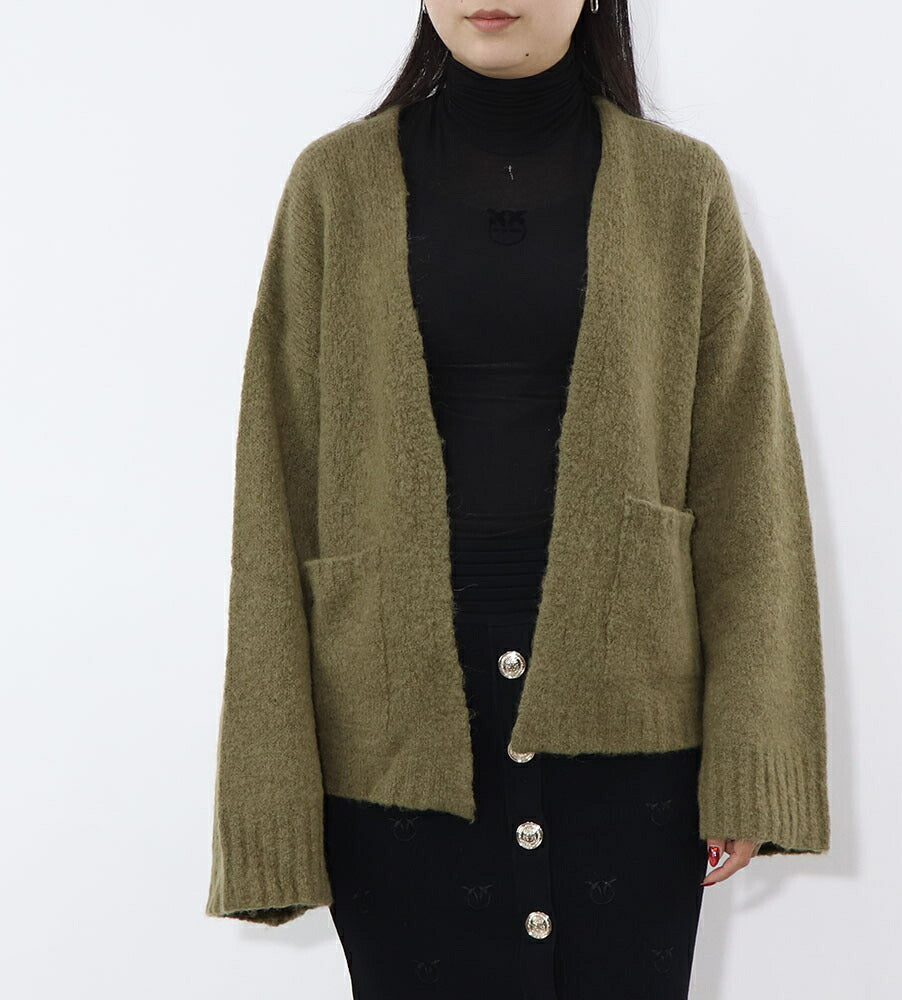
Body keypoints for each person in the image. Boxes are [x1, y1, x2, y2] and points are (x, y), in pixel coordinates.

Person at [205, 2, 832, 997]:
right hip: (391, 742)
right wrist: (269, 791)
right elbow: (275, 494)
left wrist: (753, 756)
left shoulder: (682, 188)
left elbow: (747, 486)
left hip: (634, 738)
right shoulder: (334, 185)